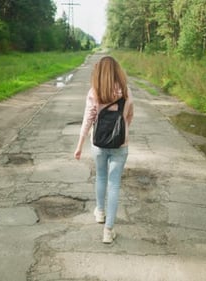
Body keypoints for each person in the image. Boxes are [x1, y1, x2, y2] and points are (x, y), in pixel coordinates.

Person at [74, 56, 134, 244]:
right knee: (114, 184)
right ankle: (108, 230)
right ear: (117, 71)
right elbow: (130, 115)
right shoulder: (125, 91)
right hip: (120, 145)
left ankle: (100, 212)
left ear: (98, 72)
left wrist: (79, 144)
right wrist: (122, 131)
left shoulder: (95, 91)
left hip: (98, 143)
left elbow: (88, 119)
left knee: (101, 176)